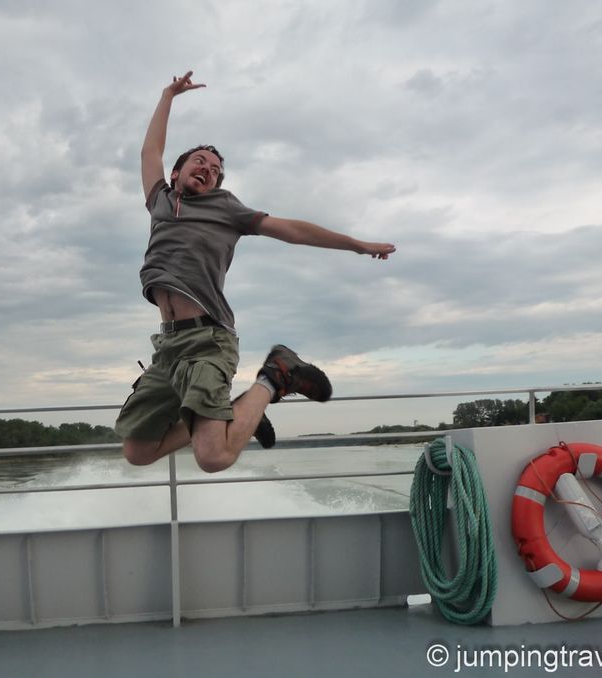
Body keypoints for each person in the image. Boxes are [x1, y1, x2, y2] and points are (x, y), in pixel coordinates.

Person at [116, 71, 396, 473]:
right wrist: (167, 96)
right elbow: (149, 153)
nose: (208, 169)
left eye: (215, 169)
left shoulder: (226, 209)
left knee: (213, 457)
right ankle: (234, 410)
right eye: (200, 161)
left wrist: (357, 245)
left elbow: (294, 231)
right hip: (168, 349)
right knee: (138, 451)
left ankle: (275, 376)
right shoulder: (160, 201)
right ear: (176, 173)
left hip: (207, 340)